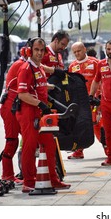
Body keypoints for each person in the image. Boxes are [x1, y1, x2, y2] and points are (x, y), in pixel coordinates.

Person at [16, 37, 71, 193]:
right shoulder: (26, 69)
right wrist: (40, 104)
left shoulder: (39, 68)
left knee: (49, 144)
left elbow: (39, 84)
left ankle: (53, 179)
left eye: (42, 50)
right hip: (28, 112)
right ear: (29, 50)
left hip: (41, 112)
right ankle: (28, 182)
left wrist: (51, 87)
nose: (39, 53)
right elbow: (22, 94)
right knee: (29, 146)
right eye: (36, 50)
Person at [67, 42, 106, 159]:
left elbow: (102, 80)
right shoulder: (72, 66)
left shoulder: (95, 63)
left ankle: (108, 148)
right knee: (80, 126)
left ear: (84, 49)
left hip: (94, 100)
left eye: (79, 51)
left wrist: (100, 97)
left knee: (98, 125)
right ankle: (78, 151)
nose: (77, 54)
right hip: (79, 102)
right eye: (74, 52)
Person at [0, 47, 27, 184]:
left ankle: (26, 172)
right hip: (11, 108)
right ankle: (7, 175)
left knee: (29, 140)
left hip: (17, 106)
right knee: (12, 141)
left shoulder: (25, 64)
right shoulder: (22, 65)